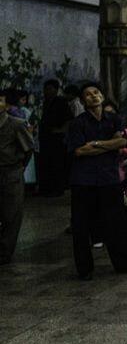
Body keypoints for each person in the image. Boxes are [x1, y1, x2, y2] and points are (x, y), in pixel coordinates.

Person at [65, 82, 127, 279]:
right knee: (82, 226)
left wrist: (97, 144)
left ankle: (123, 264)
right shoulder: (78, 124)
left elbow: (123, 141)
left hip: (109, 179)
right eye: (88, 95)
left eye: (96, 92)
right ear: (83, 101)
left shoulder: (113, 119)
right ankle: (84, 270)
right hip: (84, 180)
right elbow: (79, 150)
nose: (93, 96)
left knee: (116, 224)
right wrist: (109, 145)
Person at [0, 89, 33, 264]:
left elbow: (28, 149)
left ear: (6, 104)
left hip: (10, 172)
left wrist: (19, 169)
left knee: (11, 214)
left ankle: (5, 253)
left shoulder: (16, 124)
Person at [37, 79, 73, 197]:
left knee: (57, 163)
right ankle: (46, 188)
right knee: (46, 163)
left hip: (57, 138)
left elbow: (69, 119)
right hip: (46, 137)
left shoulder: (61, 102)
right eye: (45, 89)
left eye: (49, 88)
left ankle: (58, 188)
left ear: (56, 90)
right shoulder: (46, 102)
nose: (46, 91)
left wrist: (61, 130)